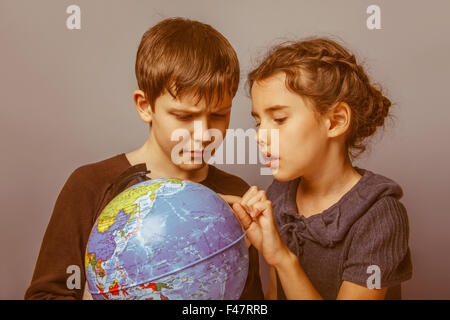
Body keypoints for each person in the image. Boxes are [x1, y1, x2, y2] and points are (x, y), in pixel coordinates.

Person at [25, 17, 263, 300]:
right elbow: (45, 296)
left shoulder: (237, 194)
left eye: (218, 115)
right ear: (145, 106)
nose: (203, 134)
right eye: (184, 116)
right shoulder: (90, 185)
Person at [220, 38, 412, 300]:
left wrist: (283, 259)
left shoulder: (380, 217)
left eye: (279, 119)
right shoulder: (280, 194)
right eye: (258, 122)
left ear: (335, 121)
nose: (260, 136)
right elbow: (276, 295)